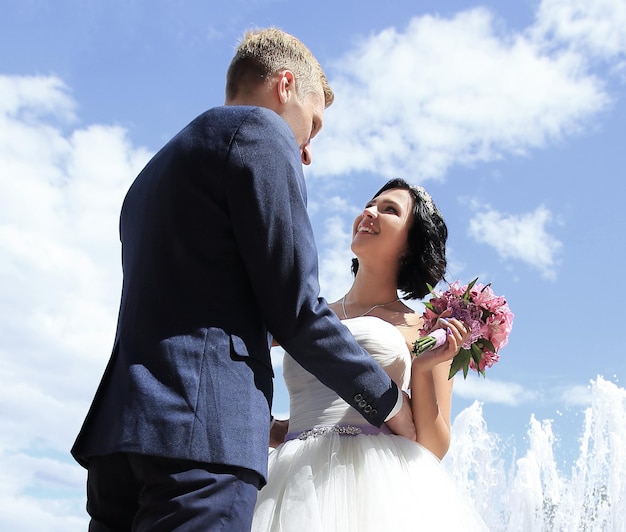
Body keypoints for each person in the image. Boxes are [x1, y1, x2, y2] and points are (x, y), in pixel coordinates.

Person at [70, 28, 415, 531]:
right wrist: (386, 402)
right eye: (313, 125)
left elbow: (200, 300)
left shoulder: (151, 173)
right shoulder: (260, 133)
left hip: (121, 443)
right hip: (200, 446)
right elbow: (298, 312)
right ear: (285, 86)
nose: (307, 151)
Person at [252, 178, 489, 531]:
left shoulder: (424, 326)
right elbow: (235, 352)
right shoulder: (305, 316)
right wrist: (270, 425)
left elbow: (434, 445)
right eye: (370, 204)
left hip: (377, 489)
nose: (369, 212)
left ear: (411, 244)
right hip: (291, 481)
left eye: (389, 210)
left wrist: (423, 371)